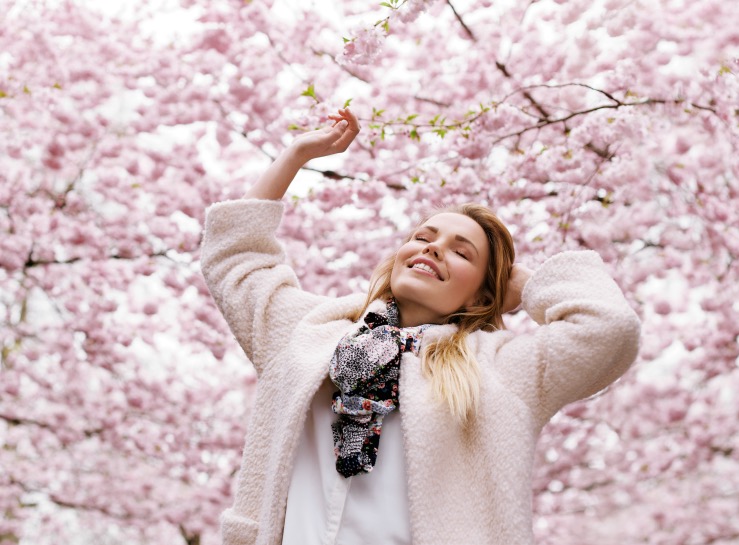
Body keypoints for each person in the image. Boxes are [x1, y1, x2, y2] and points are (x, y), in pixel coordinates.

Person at [200, 108, 641, 545]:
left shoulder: (501, 369)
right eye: (423, 238)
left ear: (483, 296)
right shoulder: (312, 332)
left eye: (460, 252)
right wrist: (295, 156)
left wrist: (524, 285)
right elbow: (236, 258)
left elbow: (609, 328)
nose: (431, 250)